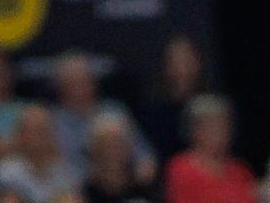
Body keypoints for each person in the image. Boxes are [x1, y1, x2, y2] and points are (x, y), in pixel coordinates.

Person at [50, 61, 150, 180]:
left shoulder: (115, 110)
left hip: (124, 183)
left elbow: (143, 153)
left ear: (94, 83)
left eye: (84, 81)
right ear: (60, 87)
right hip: (77, 186)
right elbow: (56, 165)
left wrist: (144, 168)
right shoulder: (52, 120)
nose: (79, 88)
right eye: (72, 83)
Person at [166, 102, 256, 203]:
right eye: (212, 126)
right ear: (195, 130)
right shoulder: (181, 168)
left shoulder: (241, 171)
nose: (220, 132)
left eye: (224, 125)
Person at [0, 109, 81, 203]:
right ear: (19, 135)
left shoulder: (64, 172)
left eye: (42, 130)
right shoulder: (5, 170)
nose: (36, 137)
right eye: (30, 131)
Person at [144, 44, 207, 172]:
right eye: (176, 61)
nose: (182, 68)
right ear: (166, 67)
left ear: (198, 63)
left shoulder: (210, 104)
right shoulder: (154, 109)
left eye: (187, 60)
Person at [84, 115, 157, 203]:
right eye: (107, 146)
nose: (113, 152)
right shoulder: (86, 193)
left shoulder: (144, 186)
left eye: (118, 144)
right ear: (95, 152)